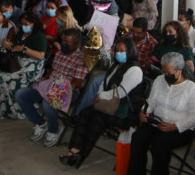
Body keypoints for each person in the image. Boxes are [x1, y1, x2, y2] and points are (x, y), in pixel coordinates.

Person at [60, 38, 145, 168]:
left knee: (97, 119)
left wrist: (102, 96)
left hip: (125, 112)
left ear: (130, 51)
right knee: (84, 113)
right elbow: (104, 83)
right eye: (117, 51)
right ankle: (74, 151)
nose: (119, 53)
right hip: (108, 105)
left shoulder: (135, 70)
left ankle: (81, 155)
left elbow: (121, 92)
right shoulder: (116, 65)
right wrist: (99, 94)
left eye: (122, 51)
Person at [128, 52, 195, 175]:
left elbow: (194, 117)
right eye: (164, 72)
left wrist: (175, 126)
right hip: (157, 122)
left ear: (179, 71)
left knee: (159, 145)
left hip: (179, 129)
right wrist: (144, 112)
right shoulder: (159, 80)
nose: (166, 75)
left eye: (169, 73)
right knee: (138, 139)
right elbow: (151, 101)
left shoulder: (191, 89)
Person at [16, 27, 89, 148]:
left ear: (76, 43)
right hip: (50, 84)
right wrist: (45, 79)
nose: (63, 44)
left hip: (68, 89)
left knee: (48, 103)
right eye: (63, 41)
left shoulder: (81, 59)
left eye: (67, 43)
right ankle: (40, 123)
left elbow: (77, 82)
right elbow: (53, 69)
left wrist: (59, 89)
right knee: (21, 95)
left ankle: (54, 129)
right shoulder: (61, 52)